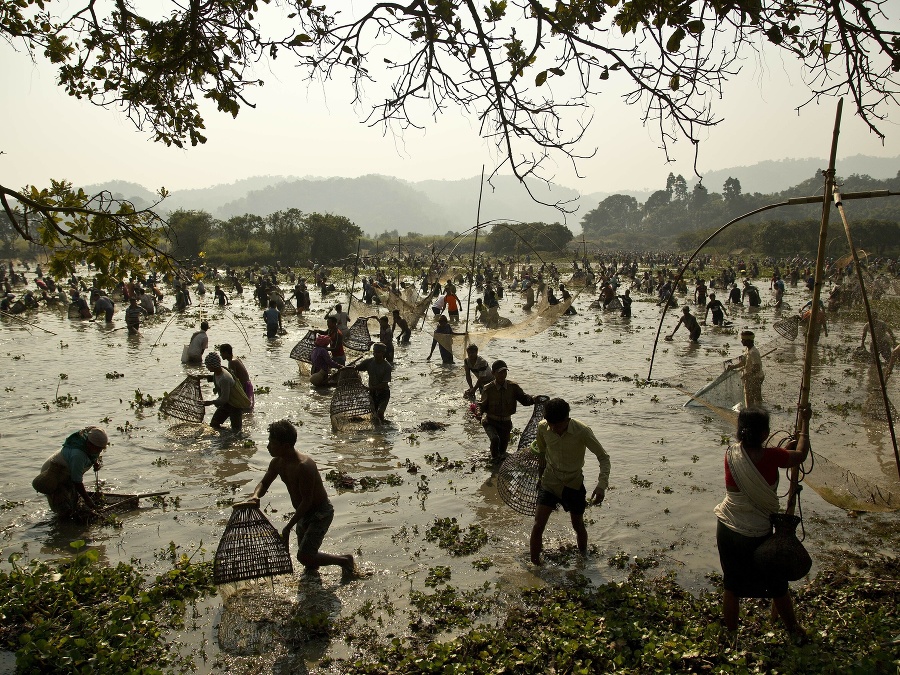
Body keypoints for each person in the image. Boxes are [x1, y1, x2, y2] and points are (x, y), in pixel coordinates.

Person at [714, 406, 810, 637]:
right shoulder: (773, 457)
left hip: (727, 527)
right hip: (757, 532)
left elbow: (762, 461)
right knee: (777, 584)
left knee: (731, 585)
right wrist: (805, 425)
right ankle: (793, 629)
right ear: (765, 434)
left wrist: (782, 451)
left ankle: (732, 636)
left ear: (740, 431)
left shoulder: (731, 453)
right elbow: (800, 455)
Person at [247, 420, 356, 577]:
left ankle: (345, 560)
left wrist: (288, 526)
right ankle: (312, 583)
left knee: (305, 556)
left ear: (285, 446)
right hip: (303, 513)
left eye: (272, 443)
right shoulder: (277, 462)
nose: (268, 446)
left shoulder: (304, 466)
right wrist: (255, 496)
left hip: (320, 513)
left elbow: (307, 501)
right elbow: (264, 483)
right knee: (309, 562)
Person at [529, 398, 610, 565]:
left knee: (578, 525)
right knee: (538, 525)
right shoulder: (543, 427)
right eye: (551, 425)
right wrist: (540, 477)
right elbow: (542, 453)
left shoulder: (582, 431)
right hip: (550, 481)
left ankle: (583, 560)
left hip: (573, 483)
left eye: (557, 426)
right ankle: (535, 566)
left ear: (567, 419)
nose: (554, 429)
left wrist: (601, 485)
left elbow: (603, 458)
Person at [32, 426, 109, 517]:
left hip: (67, 473)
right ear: (90, 444)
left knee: (73, 501)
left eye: (101, 449)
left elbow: (93, 455)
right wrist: (88, 500)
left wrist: (95, 463)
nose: (100, 451)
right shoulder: (78, 455)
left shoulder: (90, 446)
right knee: (64, 508)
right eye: (98, 449)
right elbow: (77, 481)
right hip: (52, 475)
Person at [476, 360, 534, 461]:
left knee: (502, 451)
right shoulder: (488, 389)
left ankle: (497, 460)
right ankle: (494, 461)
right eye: (500, 372)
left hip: (506, 423)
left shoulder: (513, 387)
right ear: (493, 373)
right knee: (495, 439)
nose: (502, 375)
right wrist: (478, 412)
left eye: (504, 372)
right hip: (491, 421)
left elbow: (524, 400)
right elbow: (482, 405)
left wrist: (534, 399)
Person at [202, 352, 248, 432]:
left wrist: (210, 402)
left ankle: (231, 438)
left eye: (208, 365)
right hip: (227, 404)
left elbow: (224, 398)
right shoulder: (219, 370)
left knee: (236, 431)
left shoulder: (224, 379)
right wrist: (201, 377)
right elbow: (215, 377)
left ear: (213, 365)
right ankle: (225, 435)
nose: (206, 366)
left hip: (235, 405)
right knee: (214, 424)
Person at [356, 342, 393, 424]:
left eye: (378, 352)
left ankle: (382, 431)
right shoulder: (369, 362)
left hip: (383, 393)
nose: (375, 354)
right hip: (373, 393)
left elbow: (384, 384)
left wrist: (369, 388)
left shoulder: (387, 367)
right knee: (374, 414)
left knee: (380, 412)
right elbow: (357, 368)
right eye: (374, 352)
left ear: (383, 353)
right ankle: (379, 429)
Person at [727, 329, 764, 409]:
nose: (741, 341)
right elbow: (743, 363)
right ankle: (754, 411)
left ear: (749, 341)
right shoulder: (748, 350)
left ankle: (754, 412)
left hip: (755, 378)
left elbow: (756, 368)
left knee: (753, 397)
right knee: (751, 396)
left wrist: (747, 375)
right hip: (751, 377)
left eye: (743, 340)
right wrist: (733, 367)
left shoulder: (753, 352)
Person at [219, 343, 254, 410]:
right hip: (248, 384)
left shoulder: (232, 362)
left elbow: (233, 378)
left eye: (221, 353)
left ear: (226, 352)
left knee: (243, 408)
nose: (220, 355)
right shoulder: (235, 358)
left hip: (244, 386)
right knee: (247, 409)